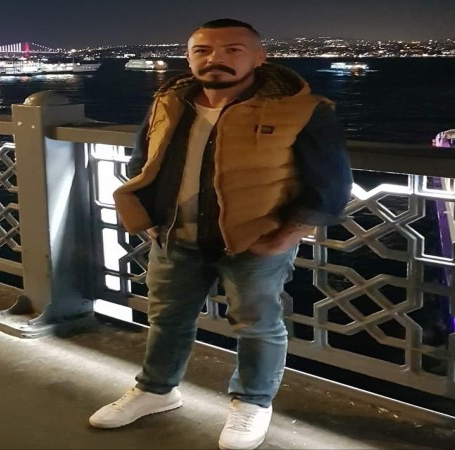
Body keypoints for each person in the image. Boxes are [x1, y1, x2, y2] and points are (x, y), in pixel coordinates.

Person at [90, 18, 353, 450]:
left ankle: (253, 402)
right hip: (174, 236)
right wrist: (147, 216)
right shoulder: (169, 101)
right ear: (189, 57)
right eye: (203, 51)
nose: (216, 59)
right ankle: (156, 390)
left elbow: (330, 182)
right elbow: (143, 161)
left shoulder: (302, 108)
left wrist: (288, 235)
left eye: (233, 50)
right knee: (166, 318)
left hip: (255, 240)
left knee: (257, 325)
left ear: (259, 57)